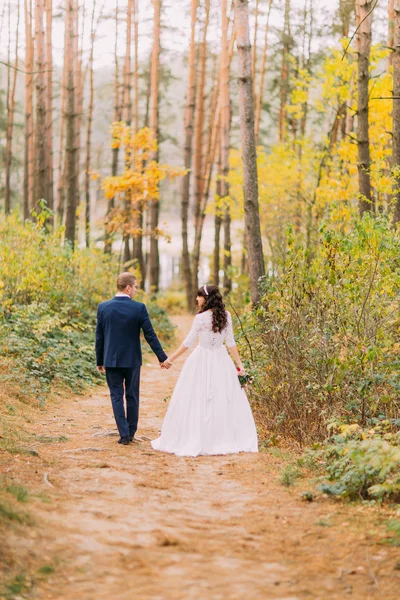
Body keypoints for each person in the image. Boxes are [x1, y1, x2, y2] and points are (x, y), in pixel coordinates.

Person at [152, 284, 258, 457]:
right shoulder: (226, 316)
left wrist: (170, 360)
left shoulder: (201, 318)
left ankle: (201, 436)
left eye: (199, 296)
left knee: (198, 397)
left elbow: (188, 342)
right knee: (221, 397)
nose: (197, 299)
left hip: (201, 360)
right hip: (221, 360)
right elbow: (230, 342)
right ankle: (220, 435)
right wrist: (239, 365)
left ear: (206, 299)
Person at [96, 272, 170, 445]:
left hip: (111, 360)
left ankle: (123, 435)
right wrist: (162, 357)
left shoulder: (103, 307)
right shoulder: (139, 308)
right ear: (128, 288)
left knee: (116, 396)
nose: (136, 290)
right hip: (132, 360)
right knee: (132, 396)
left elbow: (99, 337)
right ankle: (131, 432)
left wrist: (100, 360)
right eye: (135, 287)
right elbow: (150, 335)